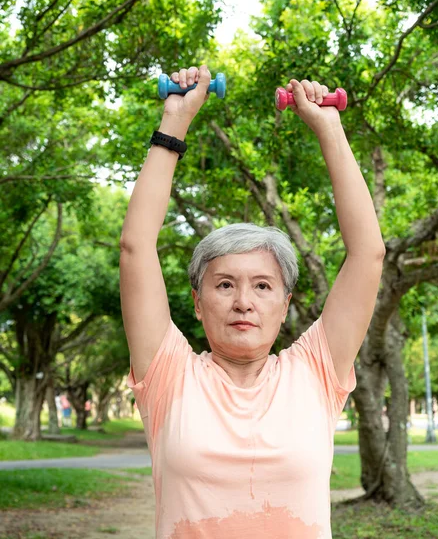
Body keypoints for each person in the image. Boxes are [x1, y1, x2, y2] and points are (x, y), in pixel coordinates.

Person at [119, 65, 385, 538]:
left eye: (262, 286)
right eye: (224, 285)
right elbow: (136, 246)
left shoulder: (315, 374)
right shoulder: (168, 377)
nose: (244, 301)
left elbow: (368, 254)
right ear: (198, 304)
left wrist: (329, 128)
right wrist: (175, 121)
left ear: (284, 305)